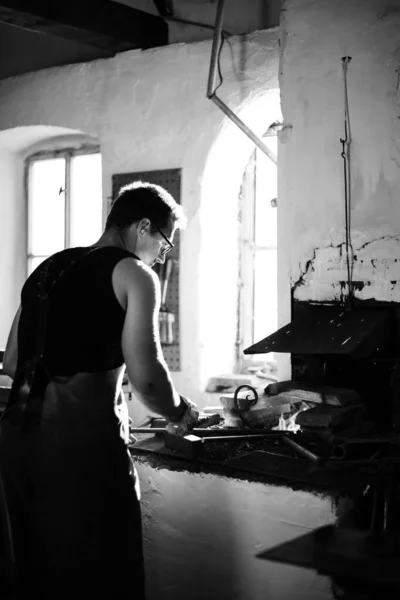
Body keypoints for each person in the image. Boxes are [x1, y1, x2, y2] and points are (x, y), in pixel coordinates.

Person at [0, 181, 199, 599]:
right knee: (103, 575)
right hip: (81, 449)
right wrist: (180, 411)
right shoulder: (135, 275)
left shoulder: (49, 268)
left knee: (37, 573)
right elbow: (147, 379)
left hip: (17, 445)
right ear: (143, 227)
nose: (163, 256)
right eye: (165, 244)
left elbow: (13, 363)